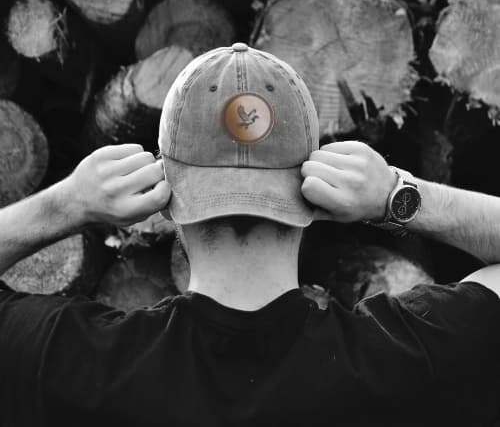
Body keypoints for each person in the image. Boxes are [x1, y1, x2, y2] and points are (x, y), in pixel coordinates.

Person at [0, 44, 499, 427]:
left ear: (167, 198)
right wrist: (396, 195)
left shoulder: (71, 364)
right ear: (313, 195)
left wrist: (68, 202)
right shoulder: (410, 361)